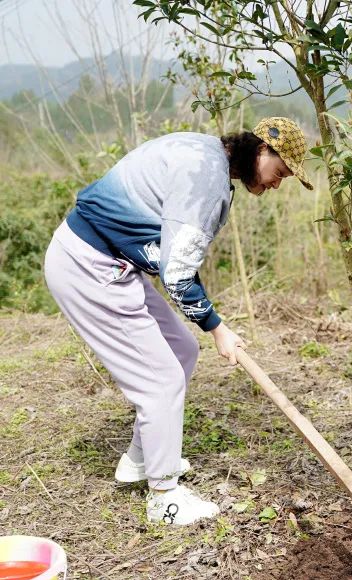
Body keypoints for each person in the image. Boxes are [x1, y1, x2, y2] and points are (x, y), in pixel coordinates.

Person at [44, 116, 313, 526]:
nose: (278, 184)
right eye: (281, 172)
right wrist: (218, 328)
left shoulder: (207, 152)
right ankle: (164, 499)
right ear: (262, 149)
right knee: (162, 380)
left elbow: (172, 256)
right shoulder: (206, 178)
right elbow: (177, 274)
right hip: (89, 265)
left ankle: (141, 458)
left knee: (181, 349)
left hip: (113, 262)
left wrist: (211, 326)